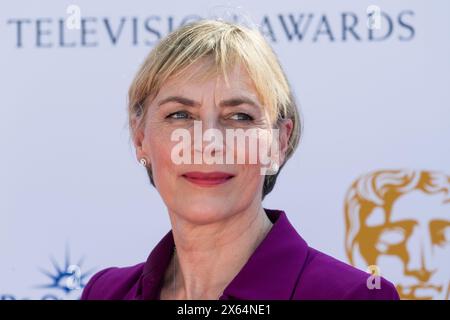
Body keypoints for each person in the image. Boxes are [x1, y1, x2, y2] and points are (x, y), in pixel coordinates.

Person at [81, 19, 399, 300]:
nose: (209, 143)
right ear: (140, 139)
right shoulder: (106, 292)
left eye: (239, 117)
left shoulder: (352, 296)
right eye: (180, 115)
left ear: (279, 142)